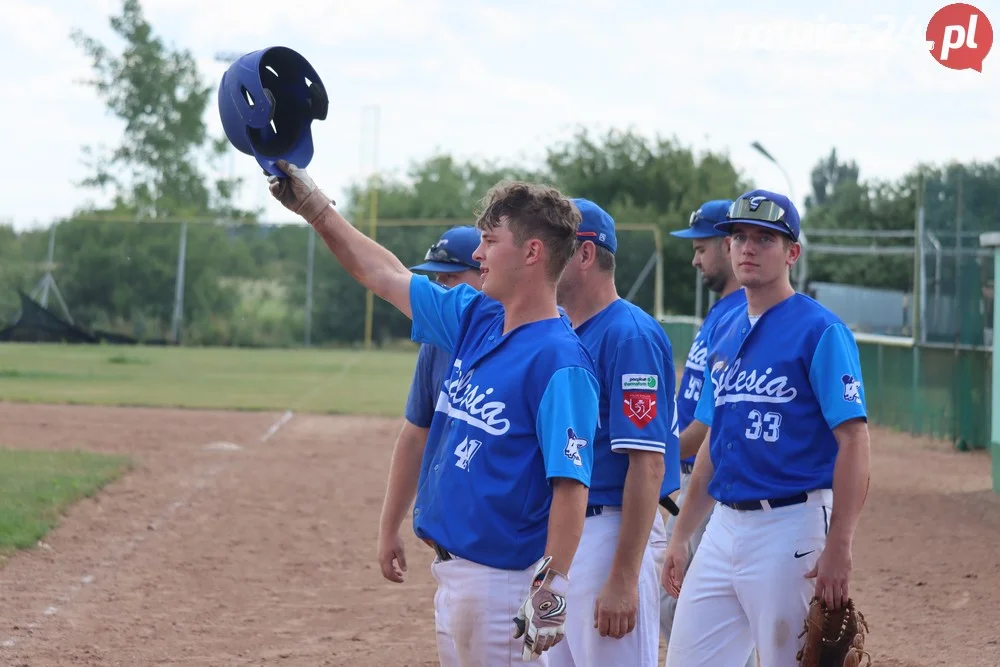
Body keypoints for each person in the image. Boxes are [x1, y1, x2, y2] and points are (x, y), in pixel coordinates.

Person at [266, 162, 601, 665]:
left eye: (490, 240)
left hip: (501, 586)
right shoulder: (476, 316)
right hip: (456, 578)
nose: (478, 252)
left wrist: (550, 589)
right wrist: (315, 208)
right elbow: (383, 274)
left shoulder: (559, 361)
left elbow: (570, 486)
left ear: (532, 252)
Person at [661, 189, 872, 667]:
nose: (748, 248)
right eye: (738, 237)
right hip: (723, 527)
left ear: (792, 252)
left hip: (790, 525)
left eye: (765, 238)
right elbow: (715, 439)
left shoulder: (820, 330)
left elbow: (854, 440)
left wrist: (840, 544)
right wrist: (681, 534)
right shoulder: (723, 328)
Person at [546, 198, 679, 667]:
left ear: (584, 255)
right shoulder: (560, 329)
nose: (541, 255)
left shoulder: (629, 336)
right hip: (560, 534)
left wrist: (622, 577)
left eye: (556, 246)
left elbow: (648, 463)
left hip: (608, 532)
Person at [660, 200, 756, 667]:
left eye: (701, 249)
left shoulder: (745, 314)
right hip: (689, 473)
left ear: (726, 244)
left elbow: (714, 422)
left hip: (707, 481)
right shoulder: (722, 313)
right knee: (680, 608)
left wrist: (651, 456)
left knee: (690, 607)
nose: (695, 260)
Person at [376, 225, 484, 585]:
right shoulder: (436, 344)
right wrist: (389, 527)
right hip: (452, 553)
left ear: (487, 272)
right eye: (436, 279)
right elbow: (415, 436)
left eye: (451, 278)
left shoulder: (527, 341)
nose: (441, 288)